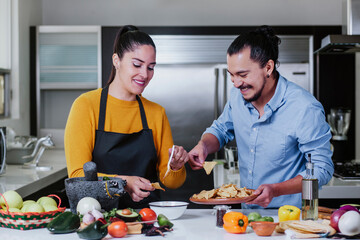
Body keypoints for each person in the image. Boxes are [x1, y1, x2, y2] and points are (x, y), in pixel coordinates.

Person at [188, 25, 334, 209]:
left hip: (288, 218)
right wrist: (204, 146)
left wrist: (276, 190)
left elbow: (322, 170)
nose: (236, 83)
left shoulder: (305, 108)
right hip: (247, 216)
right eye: (232, 75)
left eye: (243, 74)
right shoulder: (237, 98)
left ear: (268, 67)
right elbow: (221, 130)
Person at [64, 25, 188, 208]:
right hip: (98, 217)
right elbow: (78, 176)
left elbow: (170, 182)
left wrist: (175, 167)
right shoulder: (86, 106)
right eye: (137, 65)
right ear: (116, 60)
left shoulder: (156, 113)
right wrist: (123, 182)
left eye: (151, 67)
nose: (144, 74)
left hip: (147, 218)